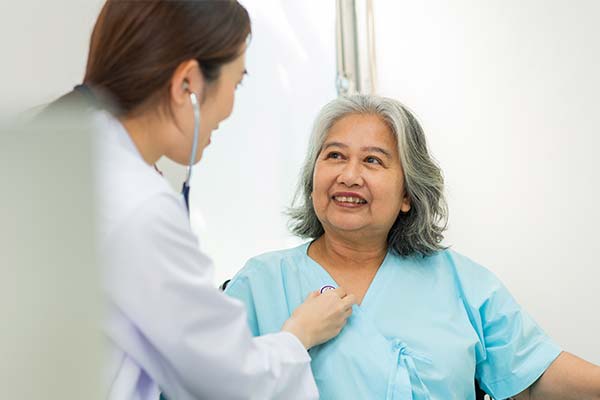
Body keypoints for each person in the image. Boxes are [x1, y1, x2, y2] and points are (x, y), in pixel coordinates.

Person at [44, 1, 357, 399]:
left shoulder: (67, 156)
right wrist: (298, 335)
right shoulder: (139, 205)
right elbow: (232, 380)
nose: (229, 109)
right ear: (188, 84)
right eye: (237, 82)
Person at [224, 94, 600, 399]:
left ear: (408, 194)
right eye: (335, 156)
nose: (349, 175)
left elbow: (532, 375)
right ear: (313, 178)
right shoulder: (259, 284)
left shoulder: (461, 283)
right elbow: (208, 385)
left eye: (373, 160)